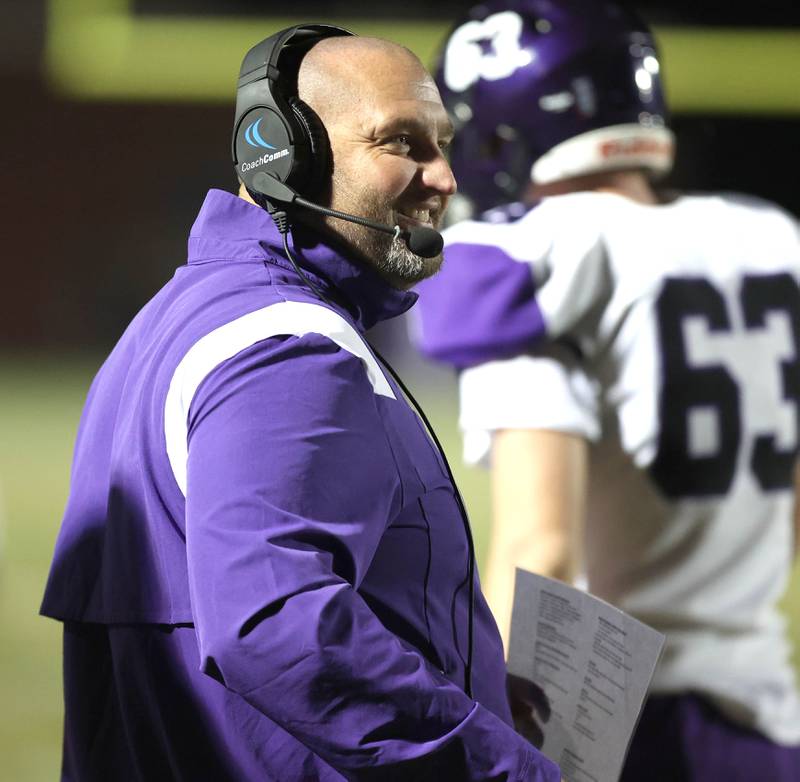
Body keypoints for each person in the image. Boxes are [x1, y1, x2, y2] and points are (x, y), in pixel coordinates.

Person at [39, 25, 562, 782]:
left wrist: (464, 689)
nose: (444, 177)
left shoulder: (177, 320)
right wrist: (502, 768)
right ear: (286, 153)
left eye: (443, 144)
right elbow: (275, 626)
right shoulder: (288, 349)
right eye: (402, 142)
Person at [413, 1, 800, 779]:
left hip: (622, 727)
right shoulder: (771, 239)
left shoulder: (546, 259)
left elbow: (541, 550)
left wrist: (505, 740)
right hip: (767, 718)